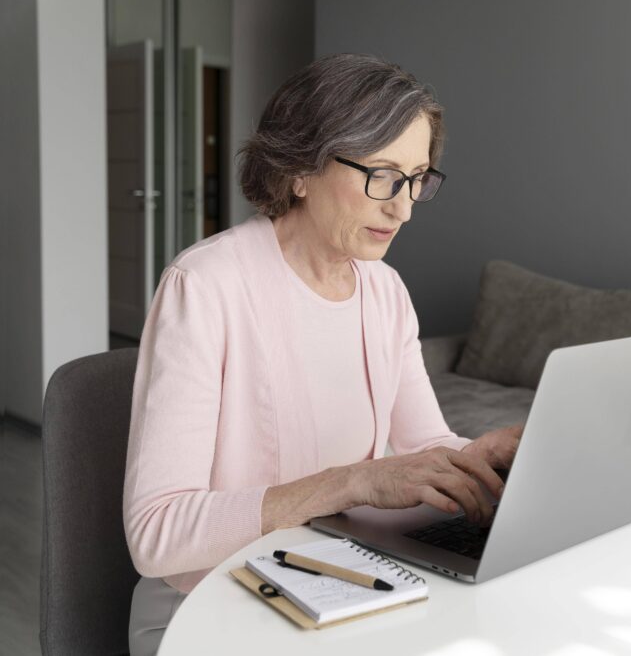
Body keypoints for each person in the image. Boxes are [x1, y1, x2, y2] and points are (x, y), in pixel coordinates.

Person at [122, 54, 522, 655]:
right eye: (382, 175)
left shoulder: (384, 291)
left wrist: (476, 458)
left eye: (417, 178)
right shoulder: (205, 286)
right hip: (210, 605)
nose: (404, 207)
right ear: (299, 170)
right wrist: (354, 482)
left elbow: (423, 446)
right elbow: (156, 535)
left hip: (339, 586)